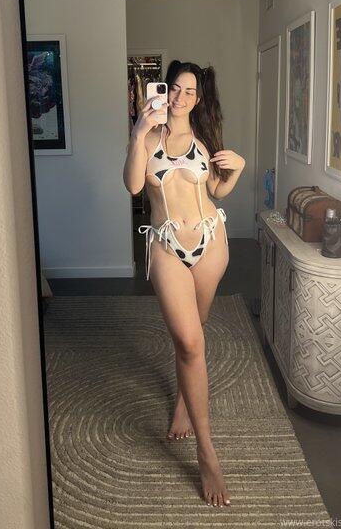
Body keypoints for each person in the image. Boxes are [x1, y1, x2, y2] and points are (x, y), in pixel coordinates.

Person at [123, 60, 246, 508]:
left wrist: (238, 167)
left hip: (211, 244)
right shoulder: (147, 137)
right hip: (166, 247)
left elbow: (218, 189)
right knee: (191, 343)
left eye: (190, 91)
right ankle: (207, 453)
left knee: (195, 332)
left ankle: (182, 399)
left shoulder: (205, 137)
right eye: (174, 88)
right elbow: (133, 186)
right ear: (164, 89)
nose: (180, 97)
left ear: (198, 98)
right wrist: (138, 131)